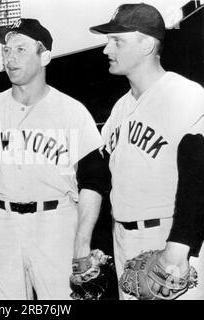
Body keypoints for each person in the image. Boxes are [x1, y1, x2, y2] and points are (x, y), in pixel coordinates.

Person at [0, 18, 107, 300]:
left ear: (44, 56)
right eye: (6, 51)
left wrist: (82, 240)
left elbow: (94, 177)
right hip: (2, 222)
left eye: (21, 49)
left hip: (55, 222)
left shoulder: (71, 111)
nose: (9, 58)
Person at [89, 3, 204, 299]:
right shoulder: (119, 109)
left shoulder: (187, 95)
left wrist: (176, 250)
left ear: (147, 45)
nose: (107, 49)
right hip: (124, 239)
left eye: (117, 40)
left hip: (172, 241)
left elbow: (199, 175)